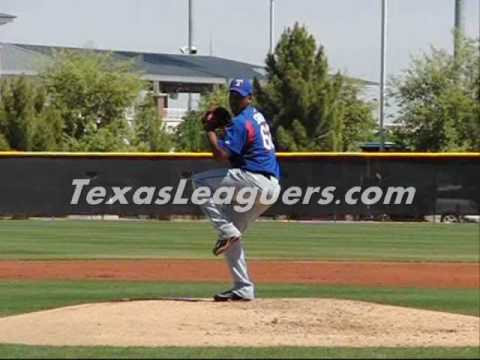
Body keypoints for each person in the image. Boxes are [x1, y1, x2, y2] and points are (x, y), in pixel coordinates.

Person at [192, 78, 281, 302]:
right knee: (232, 238)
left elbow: (221, 156)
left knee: (199, 182)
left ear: (249, 98)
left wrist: (210, 130)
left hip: (254, 181)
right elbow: (240, 146)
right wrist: (225, 129)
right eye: (232, 95)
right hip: (270, 187)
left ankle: (227, 231)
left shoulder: (242, 122)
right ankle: (243, 288)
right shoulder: (255, 116)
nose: (234, 100)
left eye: (239, 96)